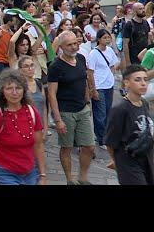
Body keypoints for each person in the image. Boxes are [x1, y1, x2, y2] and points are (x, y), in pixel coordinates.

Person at [0, 69, 47, 185]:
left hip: (30, 172)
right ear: (3, 92)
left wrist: (42, 175)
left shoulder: (32, 112)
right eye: (9, 88)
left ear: (24, 90)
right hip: (4, 173)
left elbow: (38, 145)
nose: (14, 92)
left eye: (18, 88)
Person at [47, 31, 96, 185]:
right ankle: (69, 179)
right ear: (61, 47)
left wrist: (88, 101)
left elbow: (84, 81)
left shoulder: (81, 58)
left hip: (82, 109)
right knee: (66, 147)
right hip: (65, 112)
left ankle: (83, 177)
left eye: (75, 43)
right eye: (70, 44)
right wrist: (58, 119)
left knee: (89, 146)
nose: (74, 47)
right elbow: (52, 94)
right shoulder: (55, 66)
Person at [104, 65, 154, 185]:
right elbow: (110, 141)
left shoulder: (144, 104)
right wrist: (116, 161)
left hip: (146, 158)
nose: (143, 83)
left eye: (145, 79)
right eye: (137, 80)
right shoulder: (120, 109)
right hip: (128, 161)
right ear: (126, 83)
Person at [86, 29, 120, 148]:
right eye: (105, 37)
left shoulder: (110, 50)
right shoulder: (93, 53)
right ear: (99, 39)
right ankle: (101, 138)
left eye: (108, 37)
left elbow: (113, 65)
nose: (107, 40)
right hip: (99, 86)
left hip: (109, 85)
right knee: (100, 114)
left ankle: (106, 135)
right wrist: (93, 89)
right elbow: (90, 72)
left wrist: (111, 76)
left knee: (108, 111)